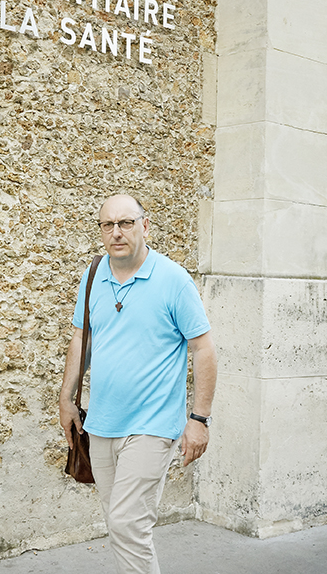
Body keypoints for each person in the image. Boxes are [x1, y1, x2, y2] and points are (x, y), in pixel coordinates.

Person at [59, 194, 218, 574]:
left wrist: (199, 418)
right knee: (120, 525)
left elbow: (204, 349)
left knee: (129, 524)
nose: (117, 233)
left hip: (152, 425)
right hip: (101, 423)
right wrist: (66, 398)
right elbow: (83, 338)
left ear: (145, 226)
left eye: (126, 223)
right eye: (108, 225)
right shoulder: (94, 274)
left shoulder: (173, 280)